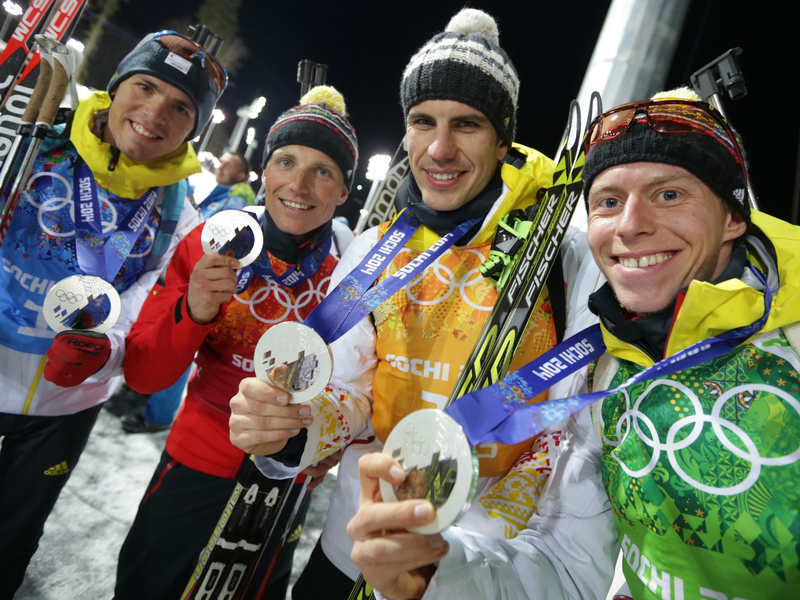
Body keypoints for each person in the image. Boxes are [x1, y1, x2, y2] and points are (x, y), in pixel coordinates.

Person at [346, 88, 800, 599]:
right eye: (609, 201)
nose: (631, 225)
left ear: (734, 218)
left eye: (669, 194)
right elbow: (564, 563)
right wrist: (438, 573)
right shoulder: (610, 365)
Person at [229, 9, 564, 597]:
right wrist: (295, 424)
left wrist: (461, 543)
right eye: (422, 120)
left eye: (467, 124)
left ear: (504, 136)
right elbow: (355, 390)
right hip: (350, 545)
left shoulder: (559, 249)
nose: (438, 148)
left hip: (472, 567)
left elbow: (566, 433)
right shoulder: (377, 246)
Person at [0, 30, 226, 597]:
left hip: (63, 405)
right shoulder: (39, 140)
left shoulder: (182, 212)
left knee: (9, 540)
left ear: (194, 129)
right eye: (144, 87)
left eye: (180, 107)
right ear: (116, 86)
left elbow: (143, 311)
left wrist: (106, 352)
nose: (154, 113)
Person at [112, 85, 358, 600]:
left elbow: (357, 395)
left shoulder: (349, 281)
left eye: (324, 171)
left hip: (281, 482)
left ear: (342, 192)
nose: (299, 184)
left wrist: (322, 452)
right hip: (197, 460)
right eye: (286, 161)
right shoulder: (212, 246)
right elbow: (144, 374)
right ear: (263, 173)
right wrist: (195, 309)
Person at [195, 150, 255, 219]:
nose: (220, 167)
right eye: (221, 162)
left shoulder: (236, 203)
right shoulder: (221, 196)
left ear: (241, 176)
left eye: (228, 165)